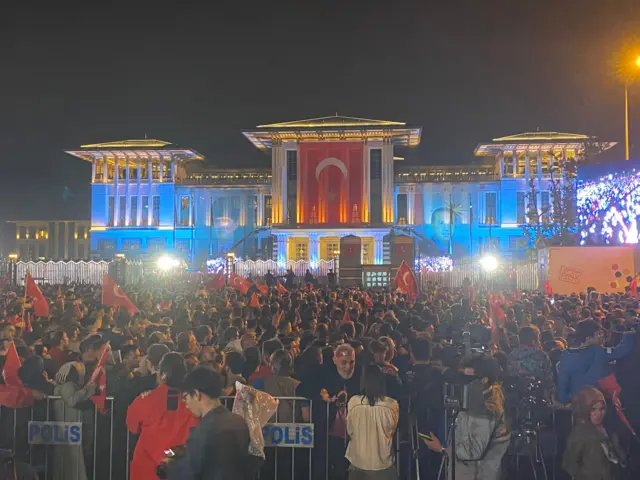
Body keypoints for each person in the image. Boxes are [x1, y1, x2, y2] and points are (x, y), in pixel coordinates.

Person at [421, 355, 510, 480]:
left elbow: (471, 452)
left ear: (483, 380)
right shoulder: (489, 399)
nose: (461, 380)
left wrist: (441, 449)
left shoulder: (483, 410)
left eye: (466, 376)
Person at [169, 366, 253, 480]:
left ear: (196, 394)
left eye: (186, 397)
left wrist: (170, 465)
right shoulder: (238, 422)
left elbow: (189, 472)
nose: (186, 404)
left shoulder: (203, 431)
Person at [126, 352, 199, 480]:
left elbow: (132, 426)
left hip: (146, 469)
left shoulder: (146, 399)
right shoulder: (194, 401)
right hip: (180, 468)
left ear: (162, 374)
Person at [346, 364, 399, 480]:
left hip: (358, 461)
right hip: (382, 464)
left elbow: (350, 430)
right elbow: (391, 430)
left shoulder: (354, 402)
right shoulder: (392, 404)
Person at [562, 386, 626, 479]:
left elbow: (619, 460)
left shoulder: (609, 430)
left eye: (602, 409)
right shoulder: (580, 433)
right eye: (593, 409)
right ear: (585, 409)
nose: (598, 414)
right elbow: (569, 464)